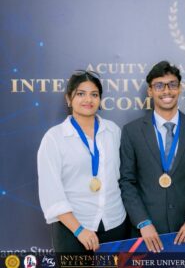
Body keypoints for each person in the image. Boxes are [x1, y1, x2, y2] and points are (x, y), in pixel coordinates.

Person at [119, 61, 185, 253]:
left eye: (172, 85)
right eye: (159, 85)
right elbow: (127, 182)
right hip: (146, 234)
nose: (166, 91)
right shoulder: (132, 131)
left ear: (179, 88)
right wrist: (143, 222)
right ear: (150, 91)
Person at [38, 70, 128, 252]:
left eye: (94, 94)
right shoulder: (54, 138)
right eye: (81, 94)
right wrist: (79, 230)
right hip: (73, 229)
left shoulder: (113, 131)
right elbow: (51, 192)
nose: (88, 99)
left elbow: (124, 177)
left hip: (115, 223)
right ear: (69, 99)